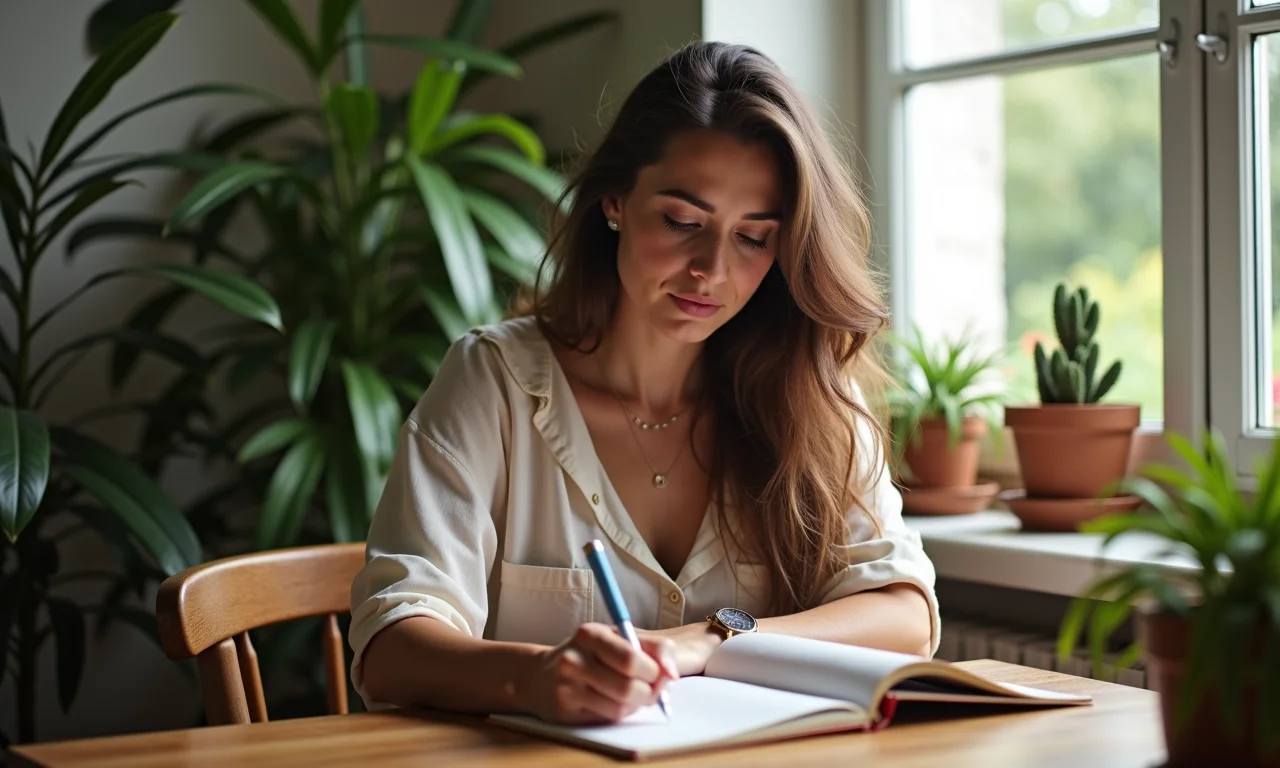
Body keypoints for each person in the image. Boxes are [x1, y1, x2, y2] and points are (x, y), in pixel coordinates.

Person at [348, 40, 940, 726]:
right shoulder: (495, 383)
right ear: (614, 202)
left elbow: (905, 614)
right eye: (683, 222)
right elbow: (391, 647)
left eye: (752, 237)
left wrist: (707, 641)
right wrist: (534, 677)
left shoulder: (807, 394)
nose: (710, 269)